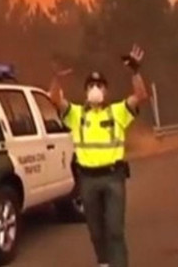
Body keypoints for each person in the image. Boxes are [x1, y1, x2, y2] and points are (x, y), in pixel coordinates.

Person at [48, 44, 149, 267]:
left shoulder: (117, 111)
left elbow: (140, 96)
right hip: (87, 180)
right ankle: (103, 262)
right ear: (86, 91)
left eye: (99, 85)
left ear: (106, 91)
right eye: (91, 85)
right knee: (95, 230)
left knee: (114, 230)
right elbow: (55, 100)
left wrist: (135, 71)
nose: (95, 89)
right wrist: (56, 79)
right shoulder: (76, 114)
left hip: (113, 178)